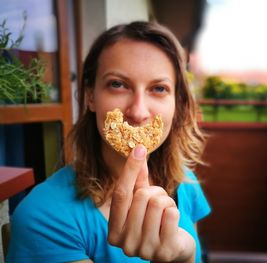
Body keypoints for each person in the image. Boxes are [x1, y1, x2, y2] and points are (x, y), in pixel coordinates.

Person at [6, 21, 211, 263]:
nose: (138, 111)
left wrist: (185, 253)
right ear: (90, 96)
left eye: (158, 88)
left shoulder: (185, 182)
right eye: (117, 84)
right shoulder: (42, 218)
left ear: (176, 104)